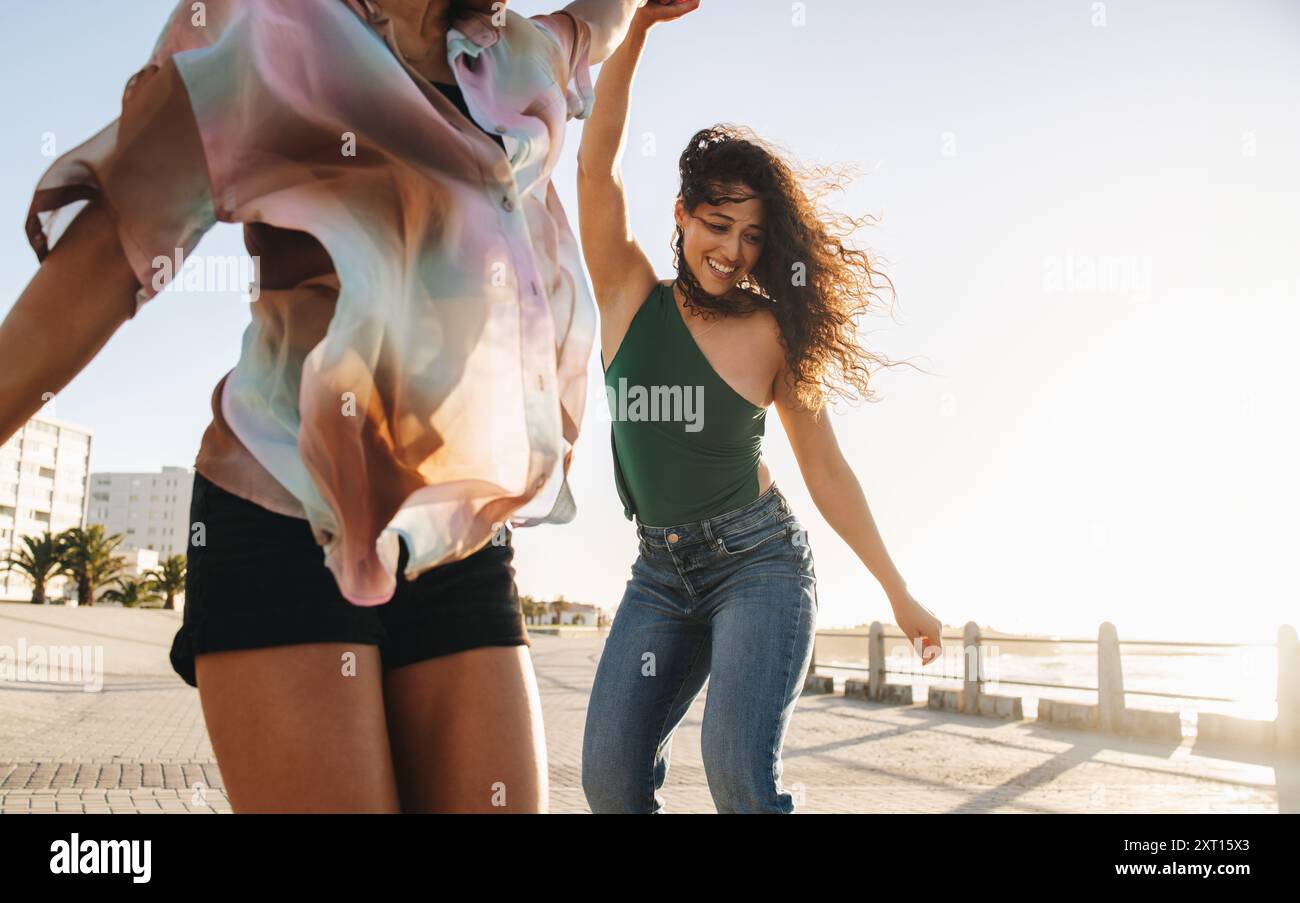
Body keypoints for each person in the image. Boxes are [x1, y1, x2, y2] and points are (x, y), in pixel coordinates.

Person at [0, 0, 641, 812]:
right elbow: (107, 257)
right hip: (281, 512)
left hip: (453, 539)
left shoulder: (520, 54)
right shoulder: (270, 32)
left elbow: (601, 18)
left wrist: (641, 21)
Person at [575, 0, 944, 812]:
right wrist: (633, 31)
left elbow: (826, 468)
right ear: (680, 213)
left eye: (750, 235)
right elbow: (595, 166)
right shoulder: (629, 295)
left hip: (759, 564)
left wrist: (897, 589)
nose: (733, 250)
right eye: (716, 224)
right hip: (659, 573)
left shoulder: (772, 331)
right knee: (607, 777)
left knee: (737, 771)